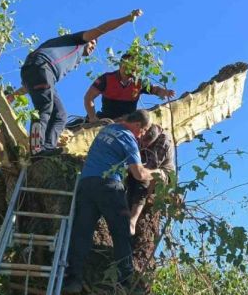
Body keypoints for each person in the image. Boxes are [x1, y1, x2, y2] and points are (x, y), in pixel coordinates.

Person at [10, 10, 142, 153]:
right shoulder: (77, 41)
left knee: (60, 115)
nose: (93, 47)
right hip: (43, 68)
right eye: (92, 42)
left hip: (37, 73)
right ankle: (36, 149)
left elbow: (32, 82)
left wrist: (13, 96)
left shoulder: (67, 55)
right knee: (44, 108)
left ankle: (48, 148)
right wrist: (128, 18)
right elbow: (103, 29)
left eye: (95, 46)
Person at [64, 109, 161, 293]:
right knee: (122, 231)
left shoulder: (107, 130)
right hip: (108, 186)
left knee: (82, 232)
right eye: (143, 131)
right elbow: (139, 174)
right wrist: (156, 173)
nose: (142, 136)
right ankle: (126, 280)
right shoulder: (127, 137)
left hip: (86, 185)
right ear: (138, 125)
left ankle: (73, 279)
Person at [83, 53, 175, 123]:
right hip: (106, 120)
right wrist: (92, 117)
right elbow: (89, 97)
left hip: (129, 121)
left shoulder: (138, 82)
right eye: (127, 64)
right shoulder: (106, 78)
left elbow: (154, 89)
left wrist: (165, 92)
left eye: (133, 65)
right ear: (120, 65)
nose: (130, 67)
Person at [126, 124, 175, 235]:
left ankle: (132, 221)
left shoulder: (164, 142)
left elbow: (150, 167)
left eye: (145, 144)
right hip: (144, 166)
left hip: (163, 175)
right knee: (133, 177)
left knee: (144, 177)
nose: (142, 145)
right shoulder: (143, 129)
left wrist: (137, 170)